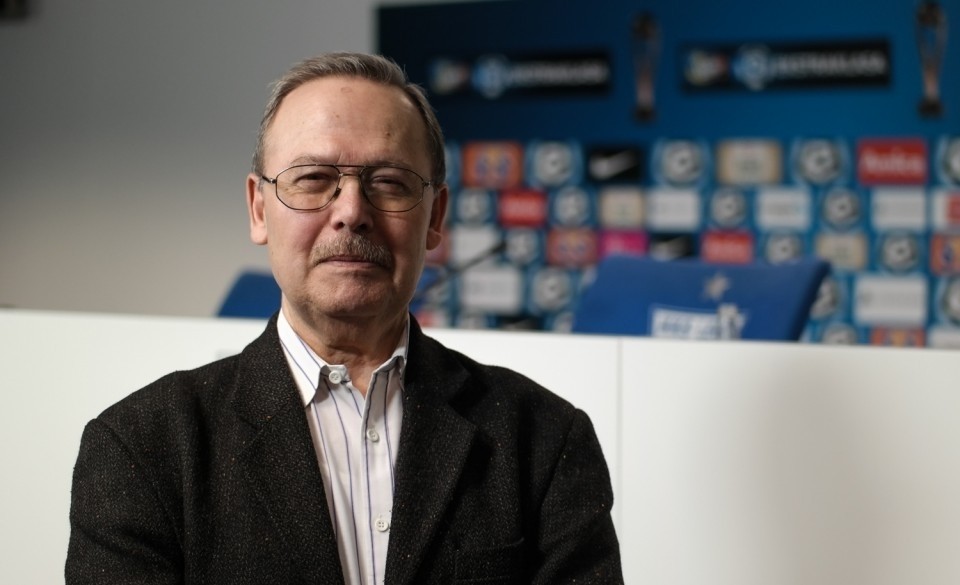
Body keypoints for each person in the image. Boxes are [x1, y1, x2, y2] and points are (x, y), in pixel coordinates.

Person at [66, 52, 623, 585]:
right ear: (259, 209)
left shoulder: (544, 440)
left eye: (389, 182)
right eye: (312, 178)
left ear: (436, 216)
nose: (352, 212)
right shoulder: (142, 447)